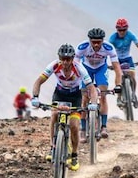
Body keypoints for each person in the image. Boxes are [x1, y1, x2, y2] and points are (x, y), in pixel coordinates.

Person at [30, 43, 99, 171]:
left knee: (74, 125)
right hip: (59, 94)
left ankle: (74, 155)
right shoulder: (54, 66)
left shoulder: (79, 68)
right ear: (59, 58)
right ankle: (52, 147)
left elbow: (91, 88)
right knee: (54, 116)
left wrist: (93, 103)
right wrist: (35, 97)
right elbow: (38, 81)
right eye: (63, 58)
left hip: (75, 97)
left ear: (73, 59)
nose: (65, 62)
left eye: (68, 59)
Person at [76, 28, 122, 139]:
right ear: (89, 40)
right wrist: (75, 83)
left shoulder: (108, 47)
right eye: (93, 42)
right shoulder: (82, 47)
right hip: (86, 69)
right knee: (84, 98)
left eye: (99, 42)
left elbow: (117, 68)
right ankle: (82, 129)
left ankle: (104, 127)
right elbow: (75, 66)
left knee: (103, 96)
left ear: (103, 41)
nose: (96, 44)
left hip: (101, 69)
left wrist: (118, 84)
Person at [109, 18, 138, 108]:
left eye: (124, 30)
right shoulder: (113, 37)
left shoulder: (130, 35)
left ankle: (133, 94)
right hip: (117, 59)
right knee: (118, 75)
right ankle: (119, 98)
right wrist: (107, 62)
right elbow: (107, 50)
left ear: (127, 29)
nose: (122, 32)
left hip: (127, 58)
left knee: (132, 74)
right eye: (120, 30)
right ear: (117, 29)